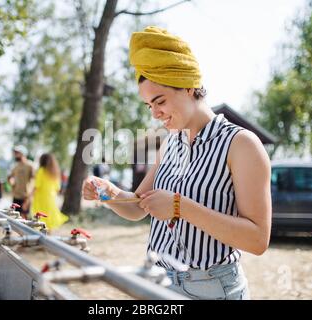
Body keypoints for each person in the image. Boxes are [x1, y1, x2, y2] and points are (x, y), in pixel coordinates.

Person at [82, 26, 272, 300]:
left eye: (159, 101)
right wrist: (108, 193)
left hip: (212, 289)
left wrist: (179, 207)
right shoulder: (170, 141)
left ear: (189, 86)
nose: (155, 114)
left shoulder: (242, 144)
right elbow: (139, 207)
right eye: (149, 106)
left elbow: (257, 240)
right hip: (158, 282)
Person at [30, 153, 68, 232]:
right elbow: (58, 188)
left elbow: (36, 186)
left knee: (41, 218)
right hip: (51, 198)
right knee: (49, 218)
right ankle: (48, 237)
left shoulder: (41, 171)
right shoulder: (55, 172)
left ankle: (44, 237)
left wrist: (28, 198)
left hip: (41, 198)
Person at [8, 145, 35, 219]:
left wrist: (29, 197)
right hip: (16, 196)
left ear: (23, 154)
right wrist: (12, 183)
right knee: (16, 217)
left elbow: (34, 181)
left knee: (24, 218)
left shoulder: (30, 165)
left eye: (17, 153)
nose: (15, 155)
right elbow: (9, 177)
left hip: (25, 197)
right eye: (15, 153)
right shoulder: (15, 166)